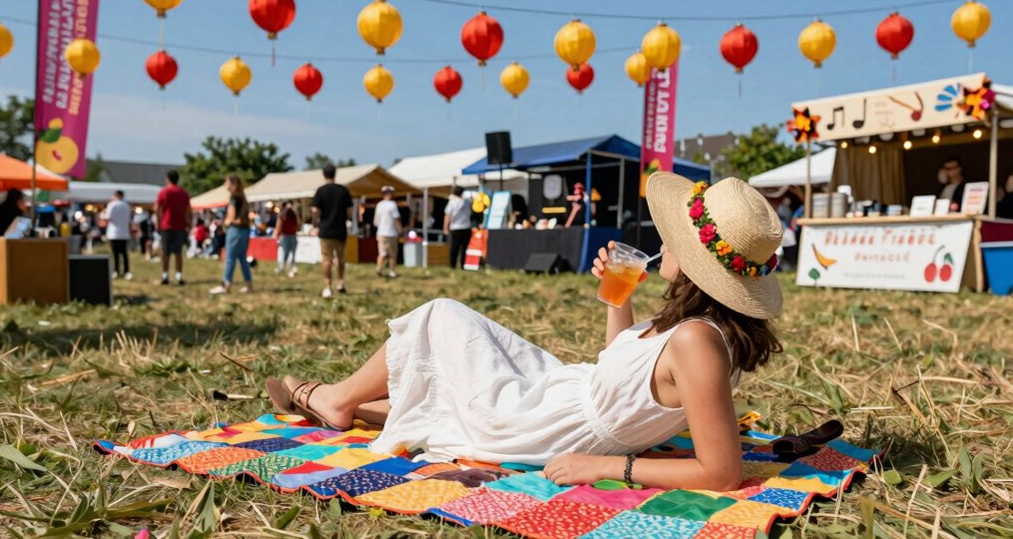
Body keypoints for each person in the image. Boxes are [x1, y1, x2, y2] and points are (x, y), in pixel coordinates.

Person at [267, 173, 784, 491]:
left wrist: (604, 469)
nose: (664, 240)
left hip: (554, 425)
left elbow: (721, 472)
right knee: (458, 368)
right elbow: (619, 377)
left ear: (697, 260)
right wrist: (617, 299)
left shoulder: (696, 342)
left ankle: (333, 400)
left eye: (675, 235)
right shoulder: (694, 330)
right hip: (567, 393)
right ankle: (342, 402)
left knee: (442, 314)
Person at [311, 164, 353, 298]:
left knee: (327, 259)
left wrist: (317, 220)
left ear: (324, 174)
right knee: (341, 259)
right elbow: (350, 212)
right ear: (335, 174)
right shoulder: (343, 190)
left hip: (326, 230)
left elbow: (315, 210)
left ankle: (328, 285)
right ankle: (341, 282)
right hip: (340, 230)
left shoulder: (321, 191)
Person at [210, 174, 253, 294]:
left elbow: (231, 217)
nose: (225, 185)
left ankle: (225, 286)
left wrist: (223, 222)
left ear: (232, 184)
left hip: (235, 230)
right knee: (242, 259)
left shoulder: (234, 197)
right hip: (245, 230)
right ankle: (249, 286)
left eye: (226, 182)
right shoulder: (242, 197)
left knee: (230, 259)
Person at [156, 170, 191, 285]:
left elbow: (158, 209)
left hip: (166, 225)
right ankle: (178, 275)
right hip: (180, 226)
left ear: (168, 179)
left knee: (165, 252)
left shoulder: (164, 192)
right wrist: (188, 223)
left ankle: (165, 275)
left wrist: (158, 223)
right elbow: (188, 210)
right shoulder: (183, 193)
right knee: (178, 252)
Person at [103, 190, 133, 280]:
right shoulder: (127, 205)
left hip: (114, 233)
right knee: (124, 253)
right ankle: (126, 271)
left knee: (115, 254)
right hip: (124, 233)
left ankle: (116, 270)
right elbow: (129, 220)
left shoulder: (112, 204)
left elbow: (107, 217)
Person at [373, 186, 402, 278]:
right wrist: (400, 230)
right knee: (392, 253)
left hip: (381, 232)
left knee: (382, 252)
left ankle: (379, 268)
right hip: (391, 233)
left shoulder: (379, 205)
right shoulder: (392, 205)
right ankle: (392, 271)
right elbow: (396, 219)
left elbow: (376, 222)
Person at [443, 185, 472, 269]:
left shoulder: (452, 202)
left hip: (456, 228)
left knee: (454, 247)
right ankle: (462, 265)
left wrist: (445, 228)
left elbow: (447, 215)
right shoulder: (466, 202)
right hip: (466, 227)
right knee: (464, 248)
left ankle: (453, 265)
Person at [275, 201, 299, 278]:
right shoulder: (284, 214)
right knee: (285, 253)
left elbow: (279, 224)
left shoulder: (289, 214)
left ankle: (290, 268)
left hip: (288, 235)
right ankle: (283, 267)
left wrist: (277, 234)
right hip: (287, 235)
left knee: (289, 253)